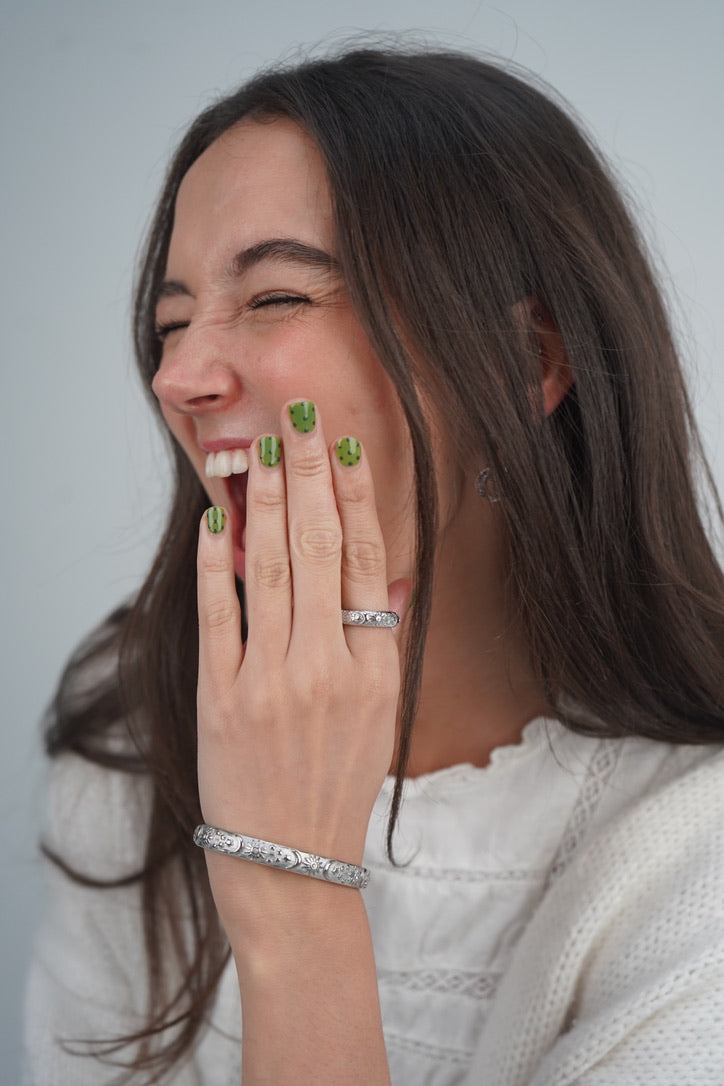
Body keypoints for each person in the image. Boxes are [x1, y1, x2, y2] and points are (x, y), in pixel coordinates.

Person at [24, 45, 724, 1086]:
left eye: (274, 299)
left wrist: (291, 899)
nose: (177, 376)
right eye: (170, 322)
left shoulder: (693, 855)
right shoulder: (129, 728)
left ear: (525, 361)